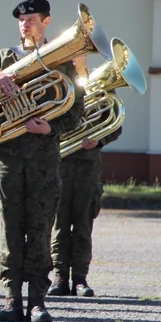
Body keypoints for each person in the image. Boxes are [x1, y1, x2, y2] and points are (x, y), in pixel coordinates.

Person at [0, 0, 84, 322]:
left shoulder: (62, 62)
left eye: (31, 18)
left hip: (43, 161)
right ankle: (12, 298)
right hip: (9, 161)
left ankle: (38, 301)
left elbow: (76, 113)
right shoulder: (2, 58)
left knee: (40, 229)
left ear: (47, 21)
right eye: (21, 19)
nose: (24, 23)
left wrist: (49, 127)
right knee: (10, 229)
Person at [48, 55, 121, 298]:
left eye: (82, 56)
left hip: (88, 168)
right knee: (59, 224)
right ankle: (59, 277)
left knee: (82, 224)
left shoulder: (100, 92)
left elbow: (115, 126)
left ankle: (80, 278)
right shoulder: (59, 88)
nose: (79, 61)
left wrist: (99, 139)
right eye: (75, 57)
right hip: (60, 164)